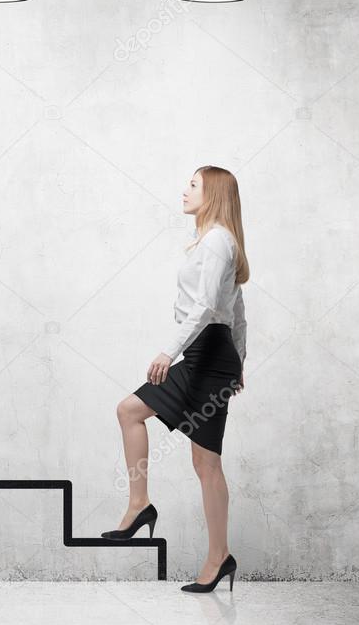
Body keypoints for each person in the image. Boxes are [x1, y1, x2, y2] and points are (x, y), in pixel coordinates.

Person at [101, 166, 248, 594]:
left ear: (213, 193)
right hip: (209, 354)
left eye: (193, 185)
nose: (184, 191)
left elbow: (208, 307)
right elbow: (237, 310)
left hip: (207, 355)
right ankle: (139, 504)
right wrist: (240, 360)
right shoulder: (211, 241)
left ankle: (218, 556)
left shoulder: (219, 240)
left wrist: (170, 351)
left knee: (206, 464)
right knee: (131, 411)